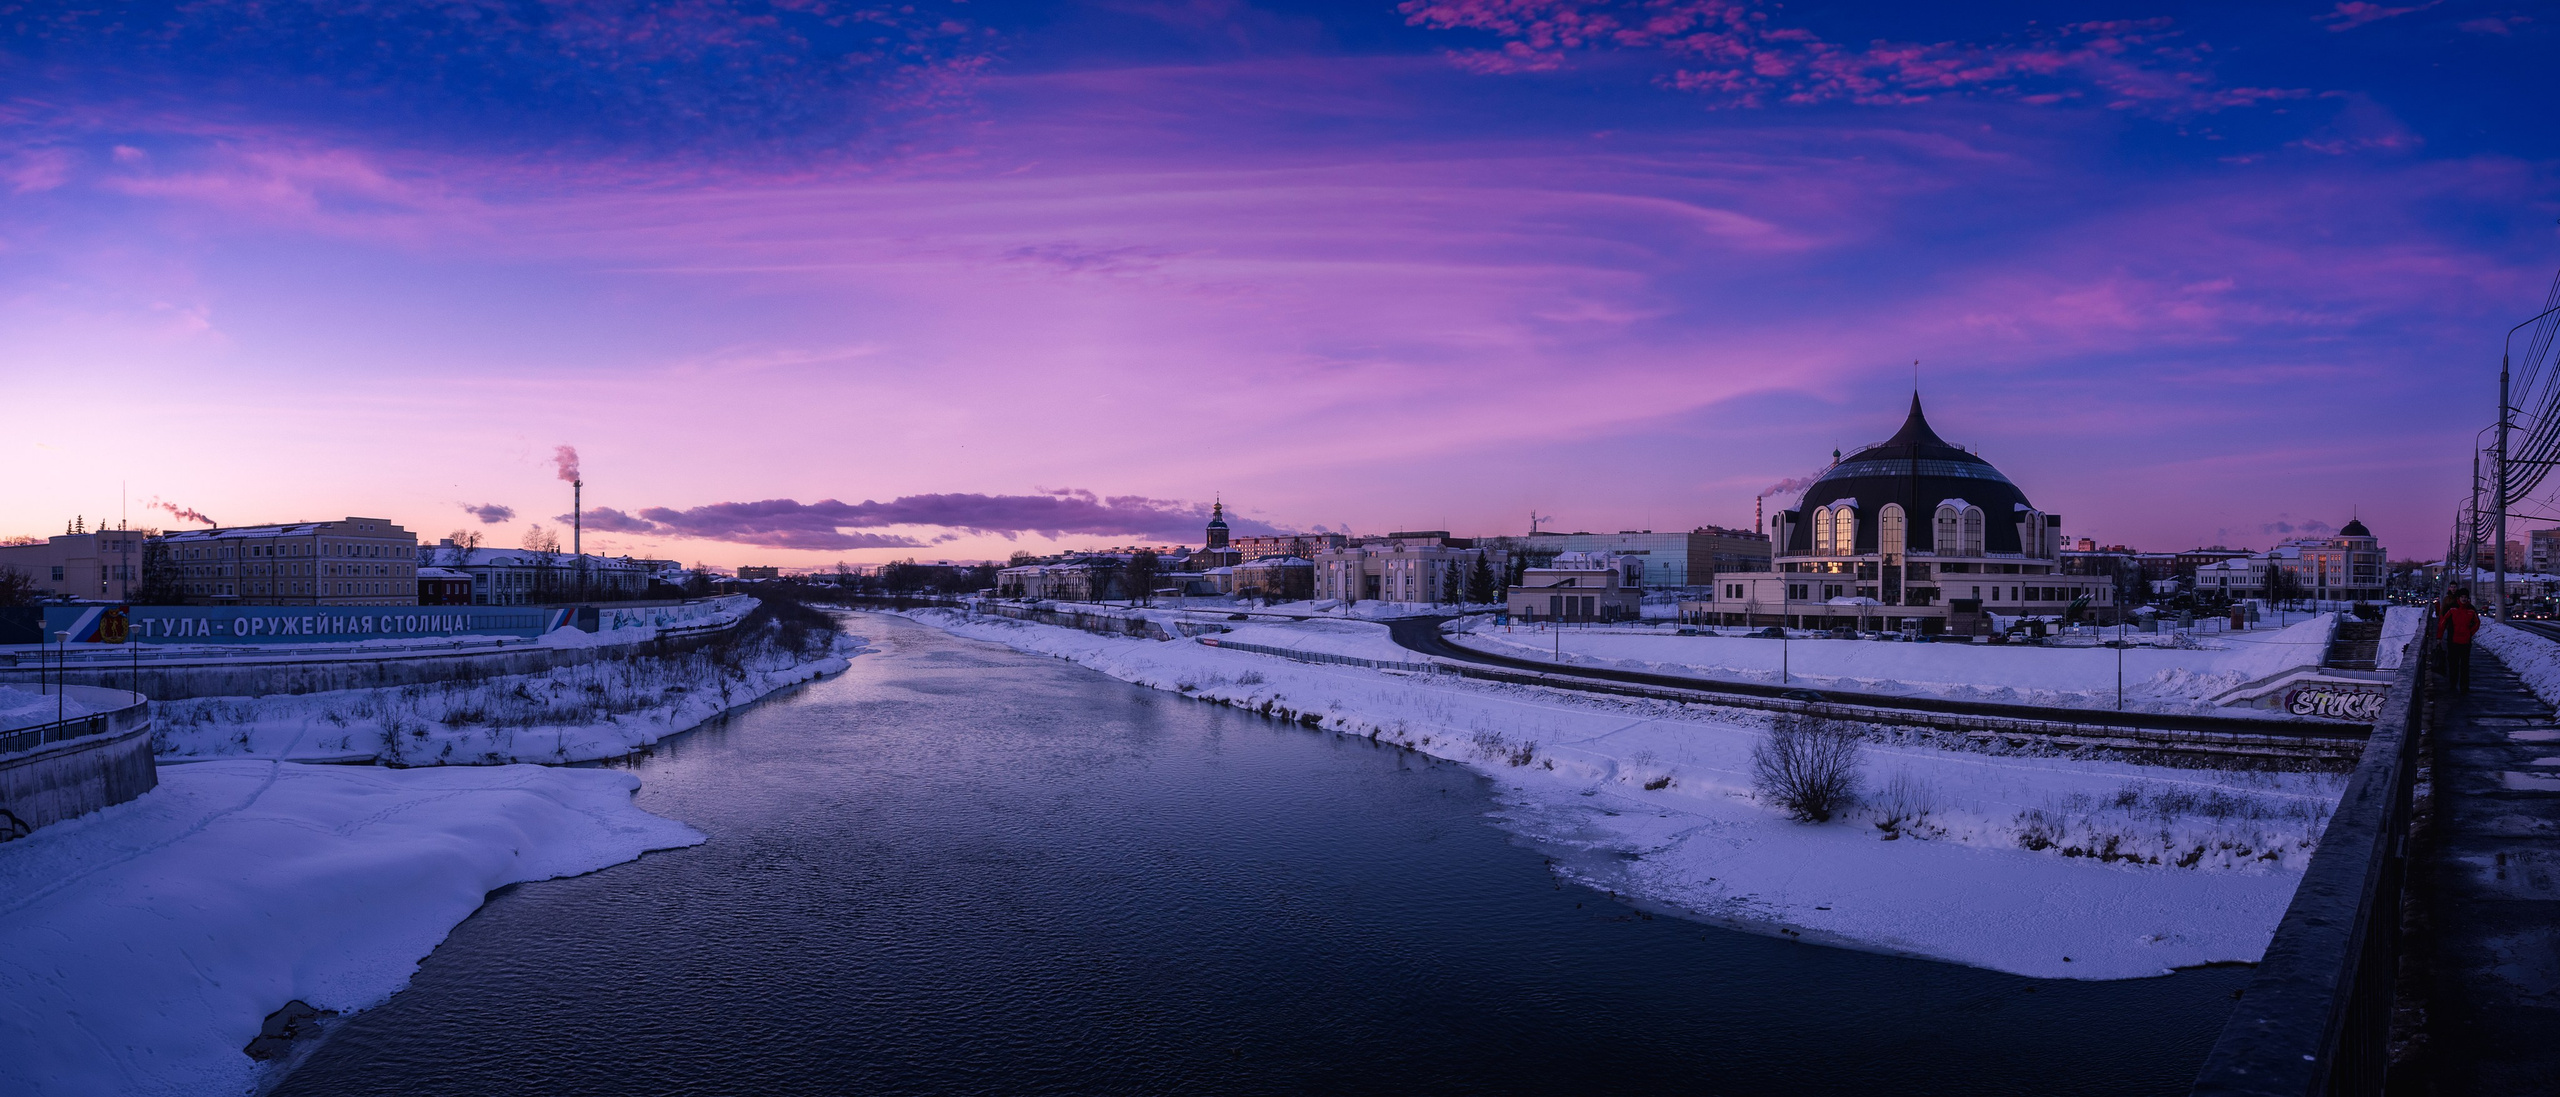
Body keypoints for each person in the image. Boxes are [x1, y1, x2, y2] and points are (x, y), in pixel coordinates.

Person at [2438, 592, 2482, 694]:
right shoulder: (2453, 608)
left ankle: (2464, 686)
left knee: (2464, 665)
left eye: (2465, 597)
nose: (2464, 599)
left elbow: (2477, 623)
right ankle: (2453, 685)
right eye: (2462, 597)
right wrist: (2439, 637)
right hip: (2454, 641)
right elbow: (2443, 622)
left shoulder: (2471, 609)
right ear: (2459, 598)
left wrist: (2470, 633)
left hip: (2466, 642)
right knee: (2454, 664)